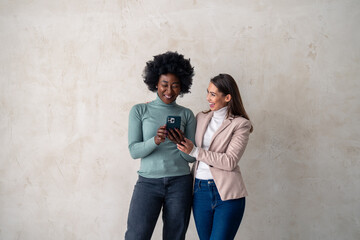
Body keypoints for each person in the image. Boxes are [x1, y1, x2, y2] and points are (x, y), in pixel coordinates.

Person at [125, 51, 196, 240]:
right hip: (148, 183)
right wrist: (155, 141)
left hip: (180, 183)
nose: (169, 91)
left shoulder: (187, 114)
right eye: (165, 84)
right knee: (136, 236)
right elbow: (134, 151)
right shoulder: (140, 110)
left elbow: (191, 158)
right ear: (155, 83)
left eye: (175, 86)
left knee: (175, 237)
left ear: (182, 87)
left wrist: (180, 142)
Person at [177, 73, 253, 240]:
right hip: (199, 191)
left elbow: (229, 161)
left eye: (213, 94)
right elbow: (182, 134)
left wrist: (195, 152)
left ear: (227, 97)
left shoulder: (240, 124)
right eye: (208, 92)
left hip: (226, 194)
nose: (207, 98)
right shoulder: (201, 118)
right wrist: (155, 107)